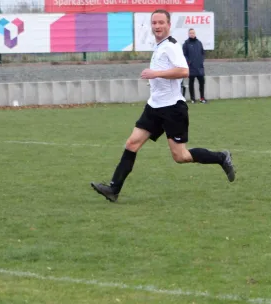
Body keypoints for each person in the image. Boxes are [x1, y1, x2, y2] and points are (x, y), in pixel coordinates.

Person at [90, 10, 235, 203]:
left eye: (161, 22)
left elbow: (184, 71)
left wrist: (156, 74)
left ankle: (221, 157)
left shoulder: (172, 46)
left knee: (181, 156)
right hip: (154, 106)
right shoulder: (159, 46)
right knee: (132, 144)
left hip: (172, 108)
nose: (157, 26)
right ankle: (113, 189)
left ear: (169, 25)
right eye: (154, 23)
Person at [183, 28, 207, 103]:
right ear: (188, 34)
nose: (192, 34)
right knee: (191, 83)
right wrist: (189, 62)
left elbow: (202, 53)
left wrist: (201, 61)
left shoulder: (199, 43)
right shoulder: (186, 44)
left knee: (202, 82)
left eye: (193, 33)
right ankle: (193, 99)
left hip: (199, 67)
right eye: (190, 33)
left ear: (195, 34)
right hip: (191, 67)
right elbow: (184, 55)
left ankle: (202, 98)